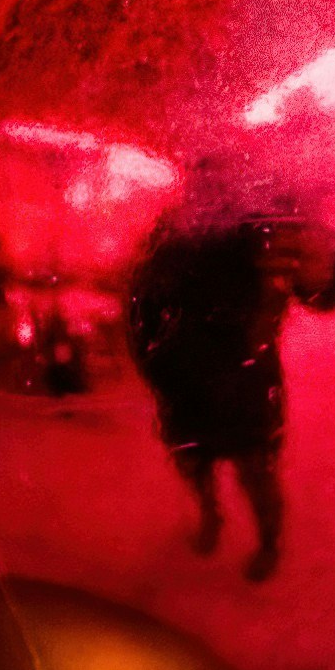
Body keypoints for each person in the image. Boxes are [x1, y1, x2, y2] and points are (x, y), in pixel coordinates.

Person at [126, 187, 292, 580]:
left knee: (253, 466)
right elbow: (142, 298)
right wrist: (153, 364)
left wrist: (256, 335)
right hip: (187, 377)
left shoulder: (250, 234)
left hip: (240, 376)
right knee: (195, 460)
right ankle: (210, 515)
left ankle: (268, 542)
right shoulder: (169, 235)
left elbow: (274, 297)